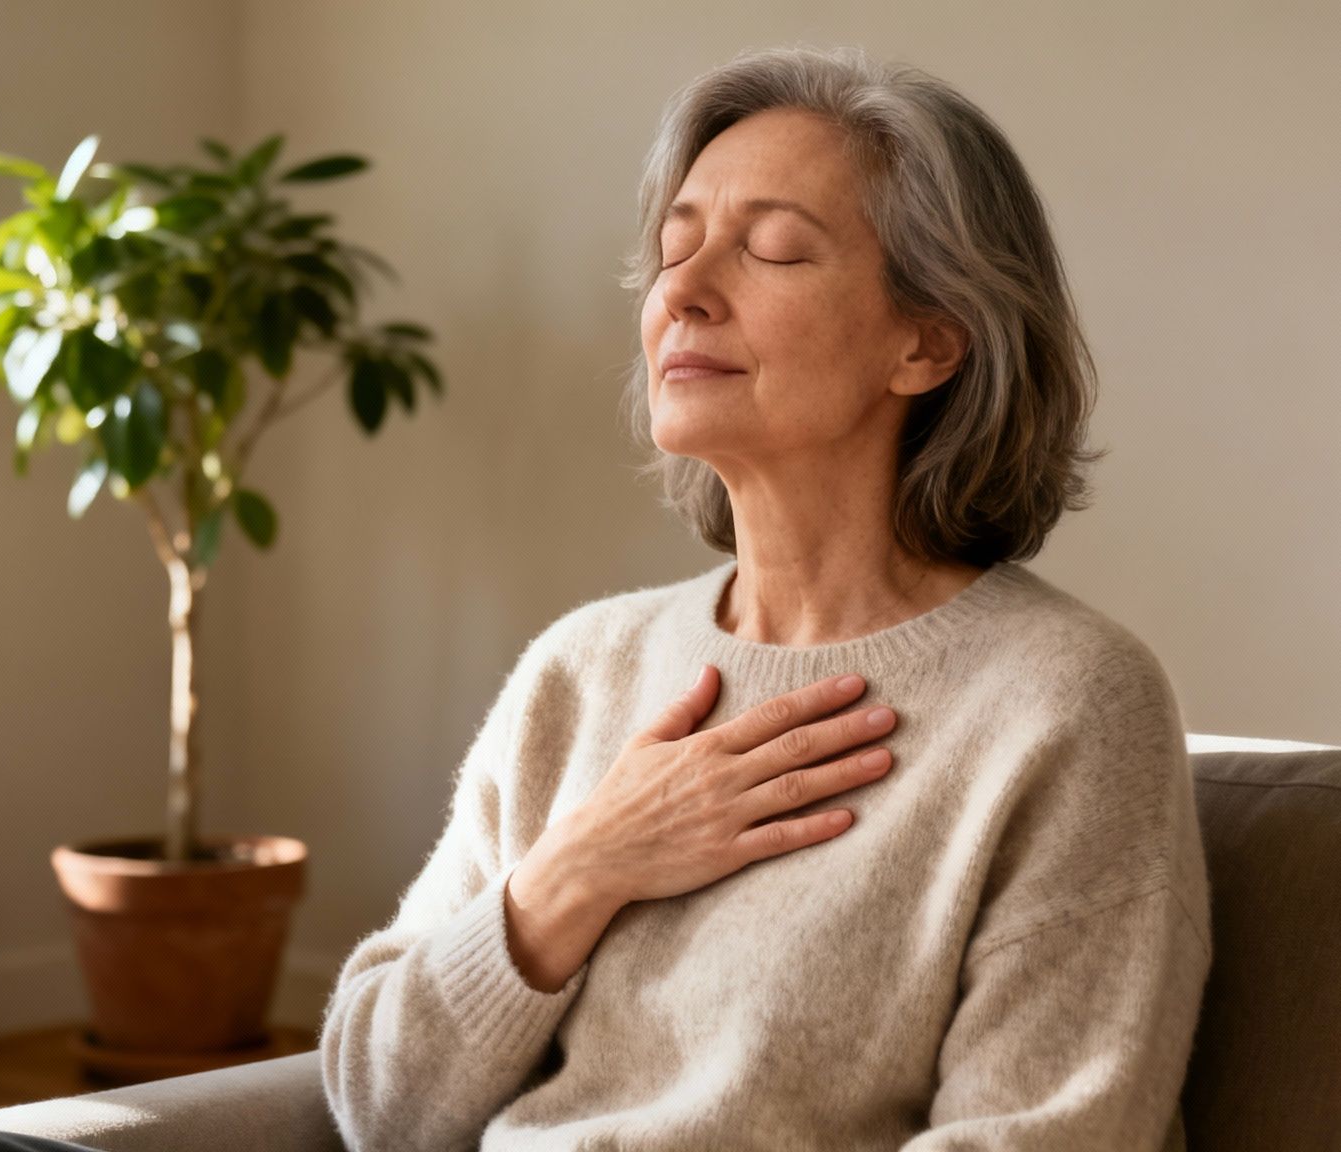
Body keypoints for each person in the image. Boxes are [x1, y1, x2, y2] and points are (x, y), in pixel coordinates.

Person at [319, 43, 1210, 1152]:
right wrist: (578, 868)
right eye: (672, 246)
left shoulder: (1064, 703)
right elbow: (374, 1103)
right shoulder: (579, 668)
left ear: (927, 342)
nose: (681, 293)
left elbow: (1046, 1134)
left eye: (773, 251)